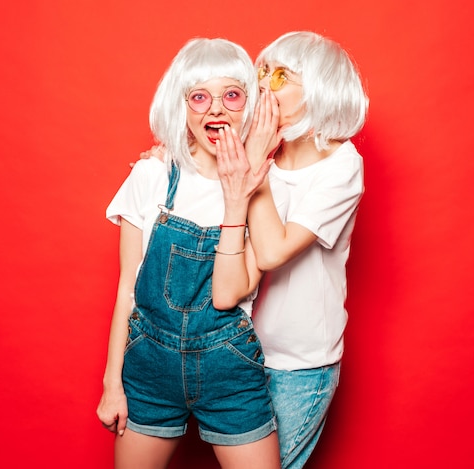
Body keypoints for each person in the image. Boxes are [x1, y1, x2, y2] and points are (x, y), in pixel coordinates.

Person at [142, 31, 368, 468]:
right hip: (237, 350)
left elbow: (271, 251)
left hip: (300, 364)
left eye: (281, 75)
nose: (264, 83)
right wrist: (168, 159)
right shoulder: (267, 153)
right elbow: (209, 186)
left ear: (320, 88)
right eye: (262, 70)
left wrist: (253, 167)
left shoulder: (342, 165)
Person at [96, 37, 279, 469]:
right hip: (148, 371)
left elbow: (232, 290)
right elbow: (128, 289)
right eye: (200, 97)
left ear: (249, 104)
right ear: (182, 106)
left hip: (230, 370)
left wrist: (245, 186)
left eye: (231, 95)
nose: (215, 109)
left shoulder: (265, 186)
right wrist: (111, 385)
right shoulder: (152, 175)